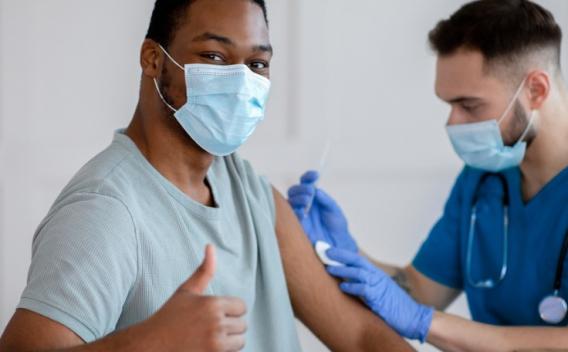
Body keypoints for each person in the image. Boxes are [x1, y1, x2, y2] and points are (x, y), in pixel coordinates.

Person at [0, 0, 414, 351]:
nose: (241, 81)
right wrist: (151, 343)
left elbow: (358, 335)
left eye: (257, 63)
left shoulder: (246, 188)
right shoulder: (105, 210)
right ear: (153, 59)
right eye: (214, 57)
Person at [288, 0, 568, 351]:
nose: (452, 123)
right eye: (448, 105)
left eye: (469, 105)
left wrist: (425, 322)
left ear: (536, 90)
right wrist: (344, 251)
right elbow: (419, 291)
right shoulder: (481, 181)